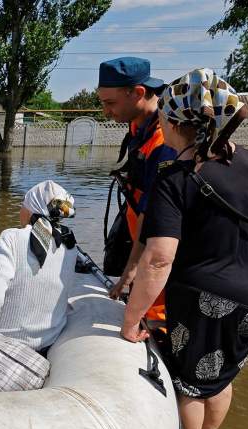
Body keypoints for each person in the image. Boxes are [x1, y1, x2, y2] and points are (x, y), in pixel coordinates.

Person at [119, 69, 248, 429]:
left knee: (190, 385)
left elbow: (159, 257)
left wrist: (131, 319)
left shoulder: (175, 180)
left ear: (172, 123)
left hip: (206, 299)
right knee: (220, 377)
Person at [97, 57, 177, 322]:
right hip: (137, 232)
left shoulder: (164, 142)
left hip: (155, 243)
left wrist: (132, 269)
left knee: (154, 313)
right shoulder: (138, 124)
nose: (106, 112)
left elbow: (154, 214)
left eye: (110, 103)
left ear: (138, 93)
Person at [0, 181, 78, 352]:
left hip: (4, 343)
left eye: (23, 205)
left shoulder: (11, 238)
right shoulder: (70, 246)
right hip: (47, 343)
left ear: (31, 208)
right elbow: (40, 281)